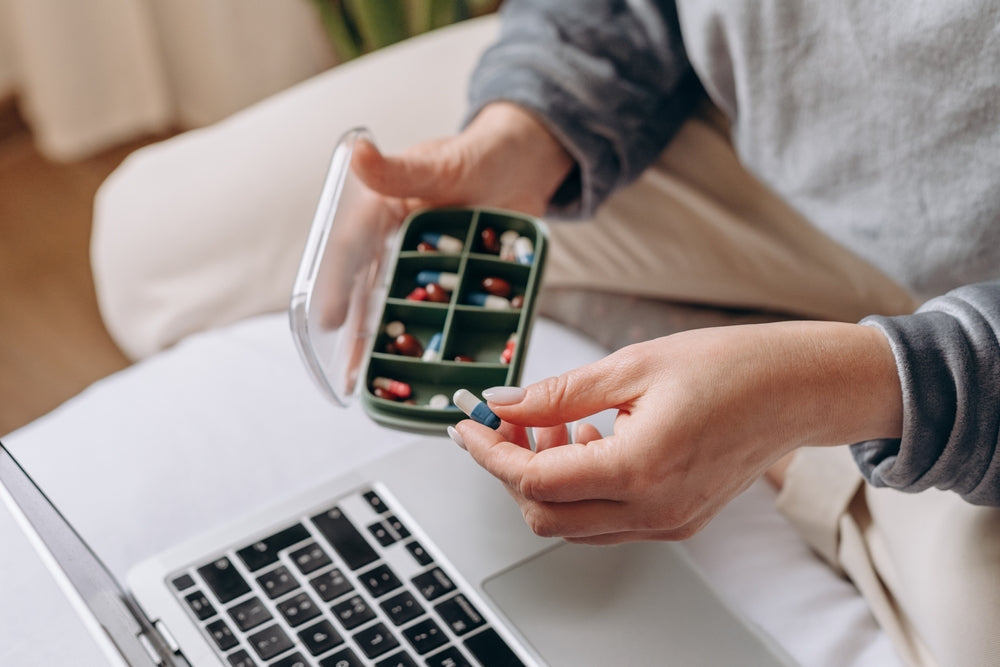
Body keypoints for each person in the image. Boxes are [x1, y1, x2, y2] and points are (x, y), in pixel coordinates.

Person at [90, 2, 999, 665]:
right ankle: (738, 345)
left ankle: (799, 415)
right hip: (735, 123)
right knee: (150, 240)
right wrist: (527, 129)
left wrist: (848, 383)